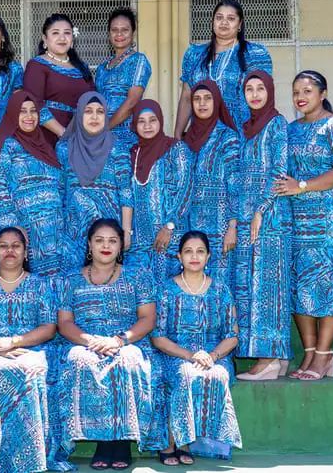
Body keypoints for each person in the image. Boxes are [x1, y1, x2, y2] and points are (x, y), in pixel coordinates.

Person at [274, 70, 333, 381]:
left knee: (327, 280)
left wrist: (302, 185)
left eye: (307, 91)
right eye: (296, 91)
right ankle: (310, 352)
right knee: (299, 281)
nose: (300, 97)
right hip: (295, 216)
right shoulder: (289, 130)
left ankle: (325, 355)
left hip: (329, 215)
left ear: (323, 94)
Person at [0, 227, 70, 473]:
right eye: (3, 246)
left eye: (16, 246)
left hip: (30, 348)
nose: (10, 251)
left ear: (26, 252)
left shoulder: (41, 286)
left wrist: (14, 342)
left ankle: (30, 458)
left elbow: (49, 328)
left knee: (32, 368)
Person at [57, 218, 165, 471]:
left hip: (126, 340)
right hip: (86, 341)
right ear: (89, 244)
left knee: (128, 360)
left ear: (120, 246)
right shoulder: (70, 279)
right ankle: (103, 443)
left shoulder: (138, 276)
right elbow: (64, 323)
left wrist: (119, 340)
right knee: (80, 360)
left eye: (112, 241)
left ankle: (122, 442)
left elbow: (148, 318)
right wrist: (90, 341)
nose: (106, 246)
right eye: (99, 240)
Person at [151, 231, 242, 466]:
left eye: (200, 251)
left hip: (214, 354)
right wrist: (191, 356)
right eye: (188, 252)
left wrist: (211, 356)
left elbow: (232, 335)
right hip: (175, 353)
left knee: (217, 374)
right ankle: (174, 441)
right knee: (185, 373)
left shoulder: (221, 290)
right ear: (179, 256)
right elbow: (158, 337)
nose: (194, 257)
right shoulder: (166, 290)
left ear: (208, 256)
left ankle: (191, 442)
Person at [233, 71, 293, 380]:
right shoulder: (245, 127)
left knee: (267, 287)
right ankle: (276, 359)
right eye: (249, 89)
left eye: (260, 88)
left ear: (270, 91)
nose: (255, 94)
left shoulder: (276, 124)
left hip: (269, 219)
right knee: (253, 286)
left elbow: (279, 171)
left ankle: (268, 359)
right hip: (247, 218)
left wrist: (260, 210)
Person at [0, 91, 64, 277]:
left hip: (53, 234)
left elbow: (60, 186)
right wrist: (14, 230)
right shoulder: (4, 146)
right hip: (23, 233)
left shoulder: (46, 146)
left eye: (33, 111)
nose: (29, 116)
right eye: (22, 111)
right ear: (12, 114)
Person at [174, 0, 273, 138]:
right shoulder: (194, 54)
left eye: (231, 18)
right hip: (202, 137)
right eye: (219, 17)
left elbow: (264, 98)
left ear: (240, 24)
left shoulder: (255, 54)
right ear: (213, 22)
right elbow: (186, 96)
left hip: (242, 136)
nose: (224, 22)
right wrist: (177, 135)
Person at [58, 92, 134, 272]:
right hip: (73, 233)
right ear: (79, 115)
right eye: (88, 111)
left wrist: (126, 231)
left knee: (109, 278)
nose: (94, 117)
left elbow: (125, 191)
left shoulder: (117, 147)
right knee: (76, 279)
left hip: (109, 234)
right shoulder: (64, 147)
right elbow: (60, 191)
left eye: (100, 112)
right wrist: (59, 231)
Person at [126, 100, 192, 283]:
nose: (147, 126)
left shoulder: (176, 149)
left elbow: (185, 190)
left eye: (152, 120)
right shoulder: (132, 154)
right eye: (141, 121)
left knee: (169, 290)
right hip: (139, 244)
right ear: (134, 124)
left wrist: (169, 226)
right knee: (143, 291)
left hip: (170, 238)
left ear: (161, 121)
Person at [184, 80, 240, 285]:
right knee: (195, 280)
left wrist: (232, 226)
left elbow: (235, 185)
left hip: (220, 224)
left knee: (219, 280)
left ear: (216, 102)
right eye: (197, 99)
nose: (202, 104)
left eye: (207, 98)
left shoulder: (228, 138)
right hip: (192, 223)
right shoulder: (187, 139)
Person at [23, 13, 95, 145]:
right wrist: (64, 134)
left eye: (67, 33)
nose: (62, 38)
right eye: (55, 33)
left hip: (81, 137)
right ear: (45, 39)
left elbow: (93, 101)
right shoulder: (37, 65)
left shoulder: (82, 67)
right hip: (48, 137)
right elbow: (35, 104)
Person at [95, 7, 152, 147]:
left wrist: (105, 129)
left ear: (133, 32)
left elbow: (132, 102)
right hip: (100, 132)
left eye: (125, 30)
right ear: (109, 33)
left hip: (126, 135)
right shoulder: (102, 67)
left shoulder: (138, 60)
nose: (119, 34)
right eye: (114, 30)